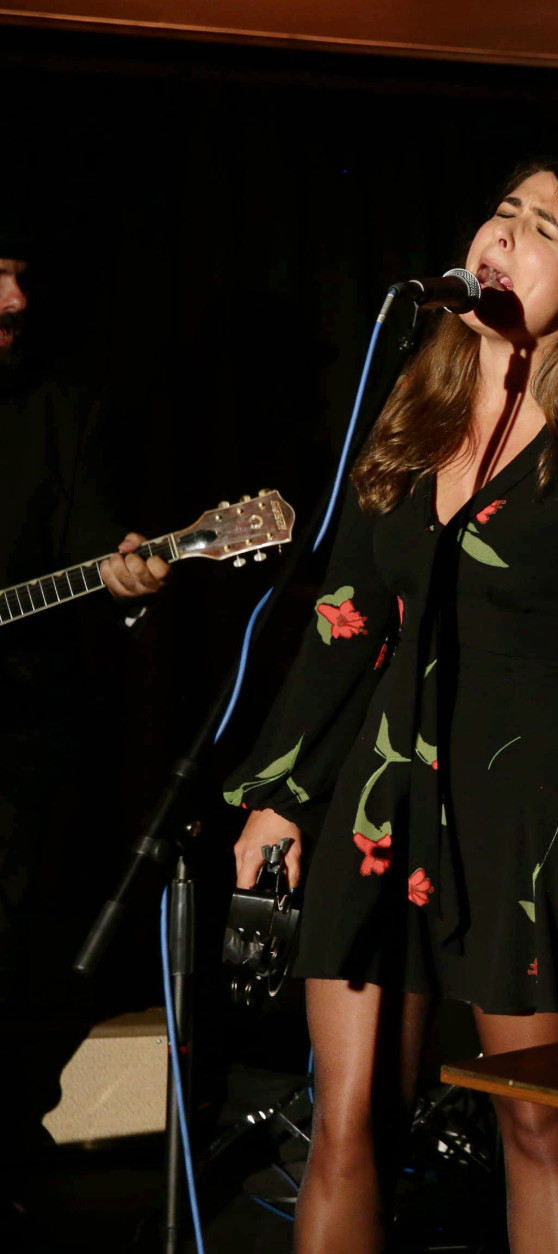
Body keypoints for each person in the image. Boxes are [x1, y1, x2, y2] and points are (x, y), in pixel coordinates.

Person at [224, 159, 558, 1254]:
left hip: (533, 815)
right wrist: (281, 795)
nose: (504, 235)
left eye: (541, 228)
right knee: (343, 1122)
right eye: (501, 211)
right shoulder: (418, 405)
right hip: (384, 795)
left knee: (537, 1122)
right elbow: (344, 616)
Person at [0, 213, 171, 1193]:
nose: (17, 301)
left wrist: (128, 575)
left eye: (24, 273)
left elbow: (96, 547)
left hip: (15, 753)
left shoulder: (64, 409)